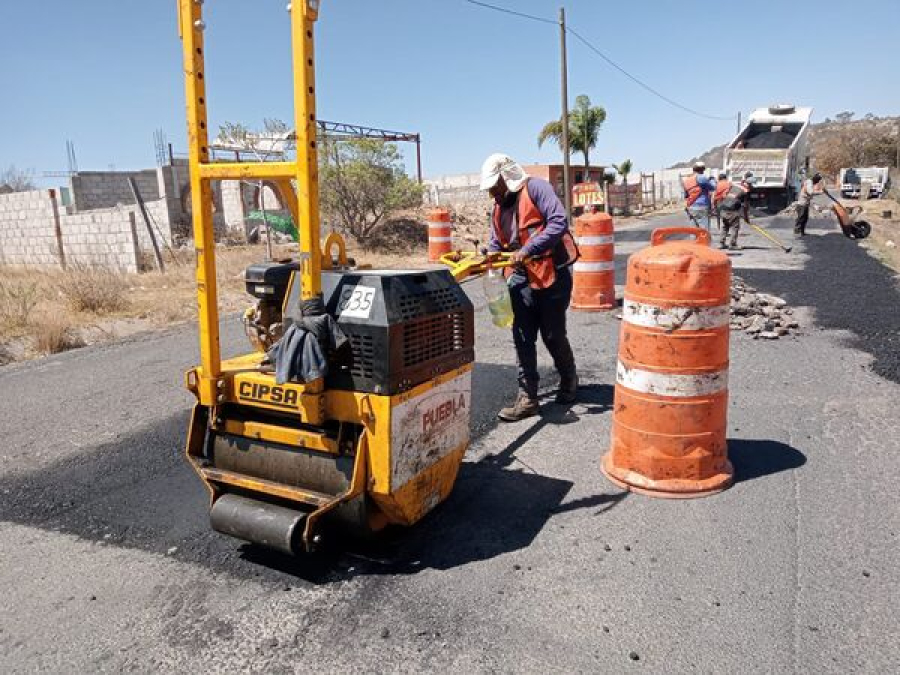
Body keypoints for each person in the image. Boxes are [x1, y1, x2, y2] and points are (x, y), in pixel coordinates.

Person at [480, 153, 580, 421]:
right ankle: (528, 398)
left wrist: (527, 249)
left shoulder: (536, 188)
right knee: (522, 336)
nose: (492, 193)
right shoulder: (498, 207)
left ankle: (569, 378)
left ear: (507, 177)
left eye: (495, 186)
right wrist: (489, 254)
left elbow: (558, 222)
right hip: (520, 277)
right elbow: (495, 241)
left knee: (552, 334)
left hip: (551, 274)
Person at [717, 172, 756, 249]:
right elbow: (745, 206)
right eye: (752, 185)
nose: (752, 186)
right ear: (749, 184)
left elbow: (724, 194)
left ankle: (721, 243)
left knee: (725, 226)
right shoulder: (746, 191)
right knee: (735, 227)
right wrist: (746, 218)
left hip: (723, 207)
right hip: (732, 209)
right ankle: (733, 244)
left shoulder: (735, 185)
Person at [682, 161, 716, 230]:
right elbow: (713, 187)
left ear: (693, 169)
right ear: (703, 169)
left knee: (694, 230)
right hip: (702, 206)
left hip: (691, 207)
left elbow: (686, 195)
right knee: (704, 231)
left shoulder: (687, 180)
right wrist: (712, 180)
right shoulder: (702, 178)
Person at [795, 172, 824, 236]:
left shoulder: (810, 183)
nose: (817, 182)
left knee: (805, 218)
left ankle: (801, 232)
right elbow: (810, 192)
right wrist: (820, 192)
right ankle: (797, 231)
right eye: (817, 181)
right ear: (815, 179)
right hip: (802, 203)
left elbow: (810, 194)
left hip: (805, 203)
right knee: (801, 217)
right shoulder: (809, 182)